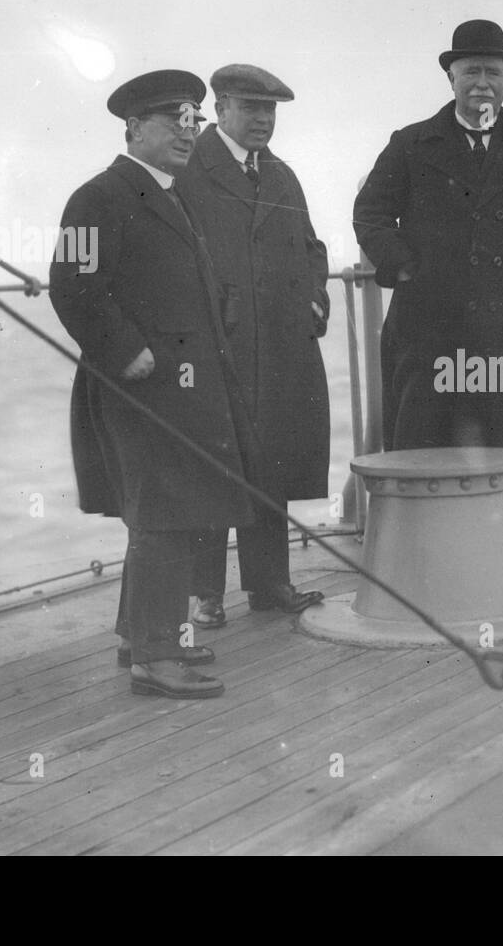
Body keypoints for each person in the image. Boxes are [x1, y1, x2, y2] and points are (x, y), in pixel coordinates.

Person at [50, 69, 255, 698]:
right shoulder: (99, 195)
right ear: (135, 127)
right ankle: (155, 657)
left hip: (186, 385)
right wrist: (125, 349)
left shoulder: (172, 193)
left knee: (172, 509)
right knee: (162, 514)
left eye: (195, 119)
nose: (188, 131)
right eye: (174, 120)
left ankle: (137, 636)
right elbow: (71, 285)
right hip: (137, 386)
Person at [353, 19, 503, 499]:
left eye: (493, 72)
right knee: (421, 454)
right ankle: (421, 567)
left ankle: (500, 565)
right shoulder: (410, 144)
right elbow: (370, 214)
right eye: (471, 71)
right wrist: (404, 267)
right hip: (425, 334)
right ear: (451, 78)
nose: (482, 83)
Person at [177, 64, 331, 626]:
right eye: (250, 108)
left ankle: (270, 585)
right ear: (219, 110)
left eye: (269, 111)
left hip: (282, 346)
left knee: (272, 462)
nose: (263, 120)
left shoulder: (282, 175)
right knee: (213, 464)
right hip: (220, 345)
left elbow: (312, 250)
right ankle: (205, 594)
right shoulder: (190, 170)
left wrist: (316, 300)